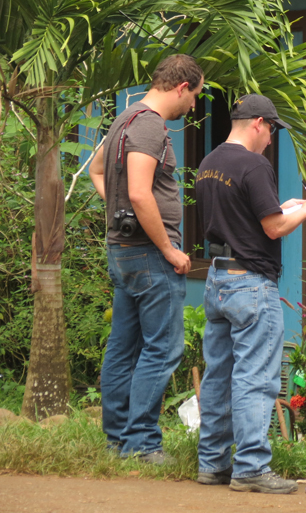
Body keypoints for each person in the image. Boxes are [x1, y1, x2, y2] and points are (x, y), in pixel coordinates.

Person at [194, 94, 306, 494]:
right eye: (272, 130)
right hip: (251, 283)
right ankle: (251, 467)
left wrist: (285, 207)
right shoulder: (254, 164)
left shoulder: (209, 162)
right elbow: (273, 228)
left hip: (217, 277)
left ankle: (212, 463)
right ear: (258, 124)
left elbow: (240, 217)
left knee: (218, 374)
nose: (270, 139)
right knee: (257, 376)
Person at [88, 54, 203, 463]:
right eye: (194, 96)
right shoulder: (150, 125)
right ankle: (141, 442)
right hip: (150, 255)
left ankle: (118, 441)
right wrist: (168, 247)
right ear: (181, 87)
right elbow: (139, 192)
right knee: (162, 349)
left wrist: (120, 213)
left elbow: (96, 170)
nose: (193, 105)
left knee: (123, 348)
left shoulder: (125, 119)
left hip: (123, 251)